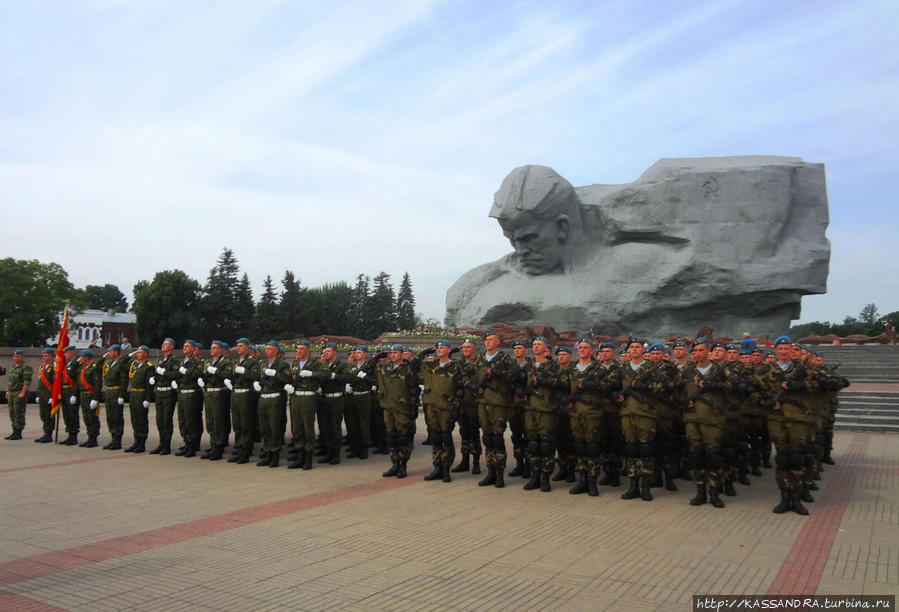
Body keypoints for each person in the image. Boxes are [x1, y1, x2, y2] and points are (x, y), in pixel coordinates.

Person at [680, 339, 726, 508]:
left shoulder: (720, 370)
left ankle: (714, 492)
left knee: (713, 457)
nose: (698, 353)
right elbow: (675, 390)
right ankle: (700, 492)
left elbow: (734, 387)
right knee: (696, 456)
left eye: (701, 350)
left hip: (712, 420)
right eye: (696, 350)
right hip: (692, 419)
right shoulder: (688, 370)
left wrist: (714, 385)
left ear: (708, 351)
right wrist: (682, 400)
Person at [471, 331, 515, 488]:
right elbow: (471, 376)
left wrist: (498, 373)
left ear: (498, 342)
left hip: (498, 403)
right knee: (487, 438)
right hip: (483, 403)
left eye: (491, 340)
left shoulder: (504, 359)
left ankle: (499, 474)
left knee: (497, 437)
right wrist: (475, 387)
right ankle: (490, 471)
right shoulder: (479, 359)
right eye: (486, 340)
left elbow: (513, 376)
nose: (488, 342)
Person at [619, 338, 659, 501]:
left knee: (646, 450)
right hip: (627, 414)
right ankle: (633, 485)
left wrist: (646, 387)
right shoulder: (622, 368)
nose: (634, 350)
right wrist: (617, 395)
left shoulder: (651, 368)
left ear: (643, 350)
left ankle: (646, 486)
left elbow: (662, 387)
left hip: (645, 414)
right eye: (631, 347)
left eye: (637, 347)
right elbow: (612, 386)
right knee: (631, 450)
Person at [420, 340, 463, 483]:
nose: (439, 349)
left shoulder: (455, 367)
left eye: (442, 347)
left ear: (449, 350)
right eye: (437, 348)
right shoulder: (430, 365)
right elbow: (412, 365)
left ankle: (446, 469)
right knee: (436, 439)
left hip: (447, 408)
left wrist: (456, 407)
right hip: (432, 407)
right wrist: (424, 353)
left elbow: (460, 389)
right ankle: (437, 468)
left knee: (446, 438)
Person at [376, 344, 420, 479]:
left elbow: (414, 390)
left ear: (402, 354)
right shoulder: (385, 368)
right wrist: (378, 357)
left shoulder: (408, 369)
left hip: (403, 409)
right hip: (388, 408)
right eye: (391, 352)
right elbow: (370, 368)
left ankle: (403, 466)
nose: (393, 355)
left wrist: (413, 408)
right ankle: (394, 464)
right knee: (391, 438)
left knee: (403, 438)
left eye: (396, 352)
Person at [521, 336, 559, 492]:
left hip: (546, 408)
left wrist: (545, 380)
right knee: (533, 443)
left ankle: (545, 477)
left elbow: (560, 384)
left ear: (546, 348)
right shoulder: (528, 365)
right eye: (534, 344)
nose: (536, 347)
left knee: (546, 444)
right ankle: (534, 475)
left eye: (539, 344)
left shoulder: (553, 366)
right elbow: (519, 382)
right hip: (530, 409)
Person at [286, 340, 327, 470]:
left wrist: (312, 374)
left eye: (301, 349)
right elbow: (290, 378)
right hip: (295, 397)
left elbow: (327, 374)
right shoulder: (294, 363)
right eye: (297, 349)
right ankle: (300, 456)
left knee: (307, 428)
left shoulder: (315, 363)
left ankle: (308, 458)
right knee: (296, 428)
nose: (298, 351)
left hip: (308, 397)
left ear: (308, 351)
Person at [255, 340, 291, 468]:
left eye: (270, 348)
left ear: (276, 350)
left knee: (274, 427)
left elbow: (287, 379)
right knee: (264, 428)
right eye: (266, 348)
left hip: (275, 398)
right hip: (263, 398)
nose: (267, 350)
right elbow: (261, 378)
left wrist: (276, 374)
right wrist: (258, 384)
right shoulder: (264, 364)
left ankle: (275, 455)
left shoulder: (282, 364)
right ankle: (268, 453)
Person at [227, 338, 261, 464]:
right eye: (237, 346)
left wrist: (245, 371)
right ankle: (239, 447)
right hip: (236, 394)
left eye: (241, 346)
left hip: (246, 395)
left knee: (246, 423)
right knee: (237, 424)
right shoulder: (238, 362)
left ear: (248, 347)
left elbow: (256, 376)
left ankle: (246, 451)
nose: (238, 348)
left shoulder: (252, 362)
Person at [452, 339, 482, 474]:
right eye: (464, 347)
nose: (465, 349)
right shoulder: (459, 364)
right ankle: (464, 461)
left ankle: (476, 462)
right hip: (462, 403)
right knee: (464, 433)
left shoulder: (479, 363)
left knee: (474, 433)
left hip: (474, 404)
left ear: (474, 349)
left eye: (468, 347)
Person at [200, 340, 233, 461]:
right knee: (210, 421)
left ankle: (218, 448)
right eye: (211, 347)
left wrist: (216, 371)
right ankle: (213, 445)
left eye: (215, 348)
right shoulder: (210, 363)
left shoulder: (226, 362)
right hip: (209, 393)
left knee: (218, 421)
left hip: (219, 394)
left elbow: (229, 375)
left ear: (220, 350)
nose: (212, 350)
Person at [318, 342, 350, 465]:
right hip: (324, 398)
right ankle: (329, 452)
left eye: (328, 351)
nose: (325, 353)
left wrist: (334, 376)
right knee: (325, 427)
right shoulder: (323, 365)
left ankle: (336, 454)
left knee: (335, 427)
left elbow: (348, 378)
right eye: (324, 351)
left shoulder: (341, 365)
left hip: (336, 398)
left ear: (335, 352)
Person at [173, 340, 204, 457]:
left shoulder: (197, 361)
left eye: (187, 346)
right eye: (184, 346)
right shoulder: (183, 362)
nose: (184, 348)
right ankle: (186, 442)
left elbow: (199, 373)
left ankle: (192, 445)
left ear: (193, 348)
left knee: (190, 420)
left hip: (191, 393)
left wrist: (187, 371)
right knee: (182, 420)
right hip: (182, 393)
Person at [149, 338, 178, 455]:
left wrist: (163, 373)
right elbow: (158, 375)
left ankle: (167, 445)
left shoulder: (174, 361)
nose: (163, 345)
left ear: (171, 347)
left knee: (166, 420)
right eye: (163, 343)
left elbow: (175, 375)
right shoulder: (161, 361)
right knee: (159, 420)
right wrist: (154, 378)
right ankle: (161, 443)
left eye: (166, 344)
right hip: (159, 393)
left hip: (168, 393)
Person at [345, 346, 374, 460]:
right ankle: (355, 447)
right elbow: (346, 377)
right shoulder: (351, 366)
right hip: (352, 396)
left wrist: (364, 376)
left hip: (364, 395)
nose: (356, 354)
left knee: (363, 423)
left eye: (359, 352)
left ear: (365, 354)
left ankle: (364, 448)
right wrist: (346, 385)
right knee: (353, 423)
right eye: (355, 352)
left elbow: (373, 381)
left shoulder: (369, 366)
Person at [508, 340, 531, 479]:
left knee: (528, 437)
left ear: (525, 350)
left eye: (519, 348)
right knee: (516, 436)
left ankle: (528, 465)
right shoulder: (510, 365)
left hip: (527, 406)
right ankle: (519, 463)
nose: (517, 350)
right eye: (515, 348)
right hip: (513, 406)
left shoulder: (531, 365)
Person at [125, 345, 154, 453]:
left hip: (142, 394)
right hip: (133, 394)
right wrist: (129, 355)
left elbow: (149, 385)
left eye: (140, 352)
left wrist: (148, 399)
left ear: (146, 354)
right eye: (137, 352)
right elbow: (123, 363)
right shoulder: (134, 365)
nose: (138, 354)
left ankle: (142, 443)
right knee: (134, 419)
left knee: (141, 419)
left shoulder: (149, 366)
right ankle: (136, 441)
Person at [101, 344, 130, 450]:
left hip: (116, 391)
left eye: (111, 351)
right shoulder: (108, 364)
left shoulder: (121, 364)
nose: (109, 353)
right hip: (109, 392)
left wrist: (122, 395)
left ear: (116, 352)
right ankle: (113, 437)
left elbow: (124, 381)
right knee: (110, 416)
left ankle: (117, 440)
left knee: (117, 416)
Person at [77, 350, 103, 447]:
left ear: (86, 357)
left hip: (91, 395)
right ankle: (89, 437)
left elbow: (97, 385)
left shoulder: (94, 368)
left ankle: (93, 438)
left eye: (82, 357)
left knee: (92, 418)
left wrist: (95, 398)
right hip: (83, 396)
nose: (80, 358)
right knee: (86, 417)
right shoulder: (83, 368)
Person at [5, 349, 32, 440]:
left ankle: (18, 432)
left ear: (22, 357)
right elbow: (10, 381)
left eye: (17, 356)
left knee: (18, 412)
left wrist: (23, 392)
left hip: (19, 392)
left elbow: (26, 381)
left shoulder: (25, 367)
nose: (15, 358)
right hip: (12, 392)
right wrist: (8, 391)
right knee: (12, 412)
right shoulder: (13, 367)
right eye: (14, 356)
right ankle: (14, 431)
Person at [60, 346, 81, 446]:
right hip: (64, 391)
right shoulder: (65, 363)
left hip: (72, 391)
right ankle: (69, 434)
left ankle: (73, 436)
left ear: (72, 352)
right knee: (66, 414)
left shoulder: (77, 363)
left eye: (66, 353)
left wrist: (75, 394)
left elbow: (78, 380)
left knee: (73, 414)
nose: (64, 355)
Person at [34, 348, 55, 443]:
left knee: (48, 414)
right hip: (42, 393)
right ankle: (45, 432)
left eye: (45, 355)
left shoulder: (54, 367)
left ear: (51, 355)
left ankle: (49, 434)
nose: (43, 357)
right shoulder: (42, 367)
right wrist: (38, 394)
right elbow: (40, 381)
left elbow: (55, 383)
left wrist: (52, 396)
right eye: (43, 355)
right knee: (43, 413)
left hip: (49, 393)